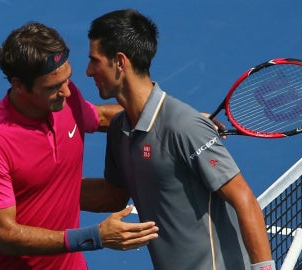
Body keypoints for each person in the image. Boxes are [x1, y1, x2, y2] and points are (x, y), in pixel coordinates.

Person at [81, 9, 276, 270]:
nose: (88, 71)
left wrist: (264, 268)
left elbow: (244, 198)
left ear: (119, 62)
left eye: (95, 61)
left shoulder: (185, 127)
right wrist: (39, 190)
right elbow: (112, 196)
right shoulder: (120, 130)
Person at [0, 22, 160, 270]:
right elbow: (5, 236)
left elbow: (104, 118)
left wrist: (175, 121)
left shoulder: (66, 99)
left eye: (67, 79)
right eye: (53, 87)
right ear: (19, 85)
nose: (67, 91)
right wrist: (95, 237)